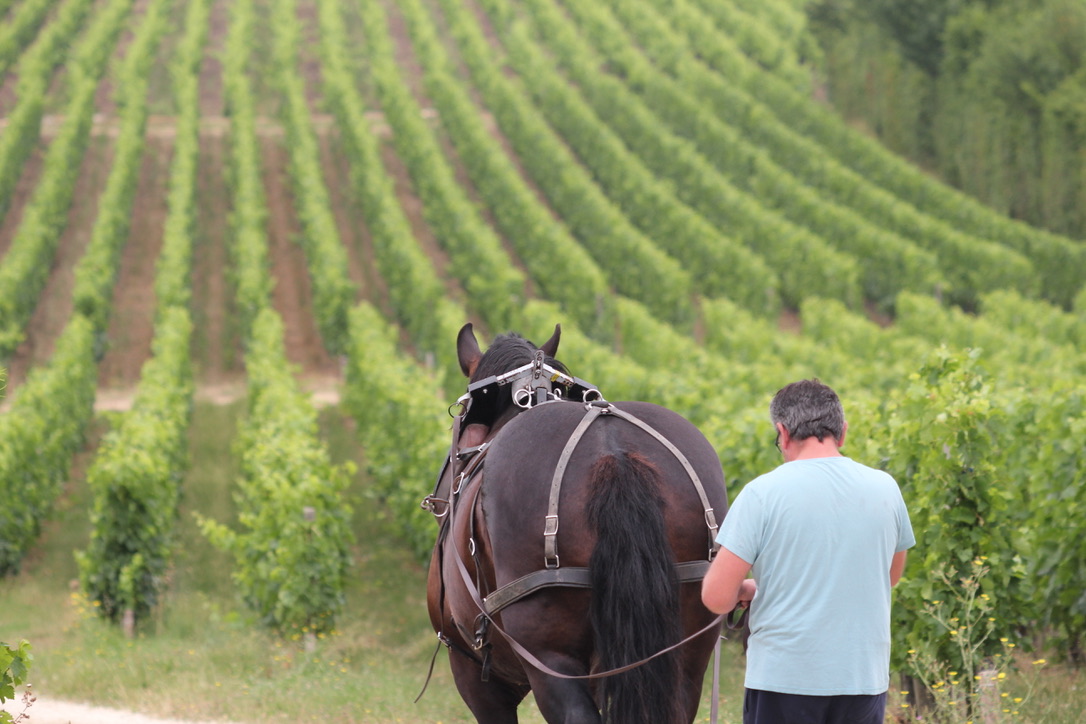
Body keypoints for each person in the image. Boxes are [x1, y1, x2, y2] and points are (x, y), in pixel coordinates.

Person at [702, 379, 915, 724]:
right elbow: (887, 577)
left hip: (783, 680)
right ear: (842, 432)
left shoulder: (762, 494)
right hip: (862, 680)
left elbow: (716, 598)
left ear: (783, 433)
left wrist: (749, 590)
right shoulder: (886, 489)